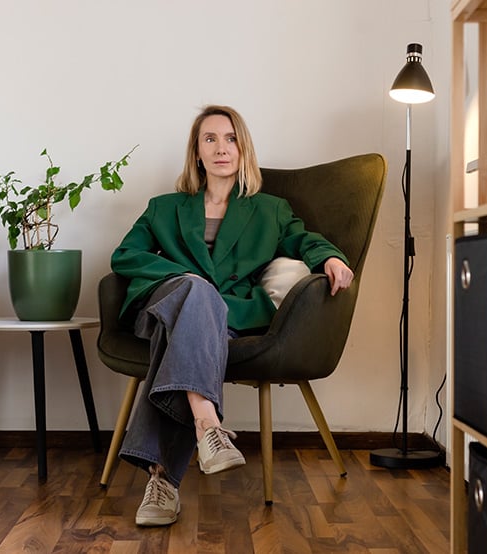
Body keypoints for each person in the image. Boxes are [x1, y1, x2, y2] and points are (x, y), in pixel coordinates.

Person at [111, 104, 354, 526]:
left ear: (243, 149)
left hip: (222, 320)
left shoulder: (271, 210)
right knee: (194, 291)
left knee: (186, 328)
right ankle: (208, 425)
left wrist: (331, 258)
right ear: (197, 151)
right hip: (163, 306)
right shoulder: (164, 207)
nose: (221, 148)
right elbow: (125, 255)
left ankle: (162, 480)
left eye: (230, 138)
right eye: (210, 139)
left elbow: (304, 241)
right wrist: (185, 277)